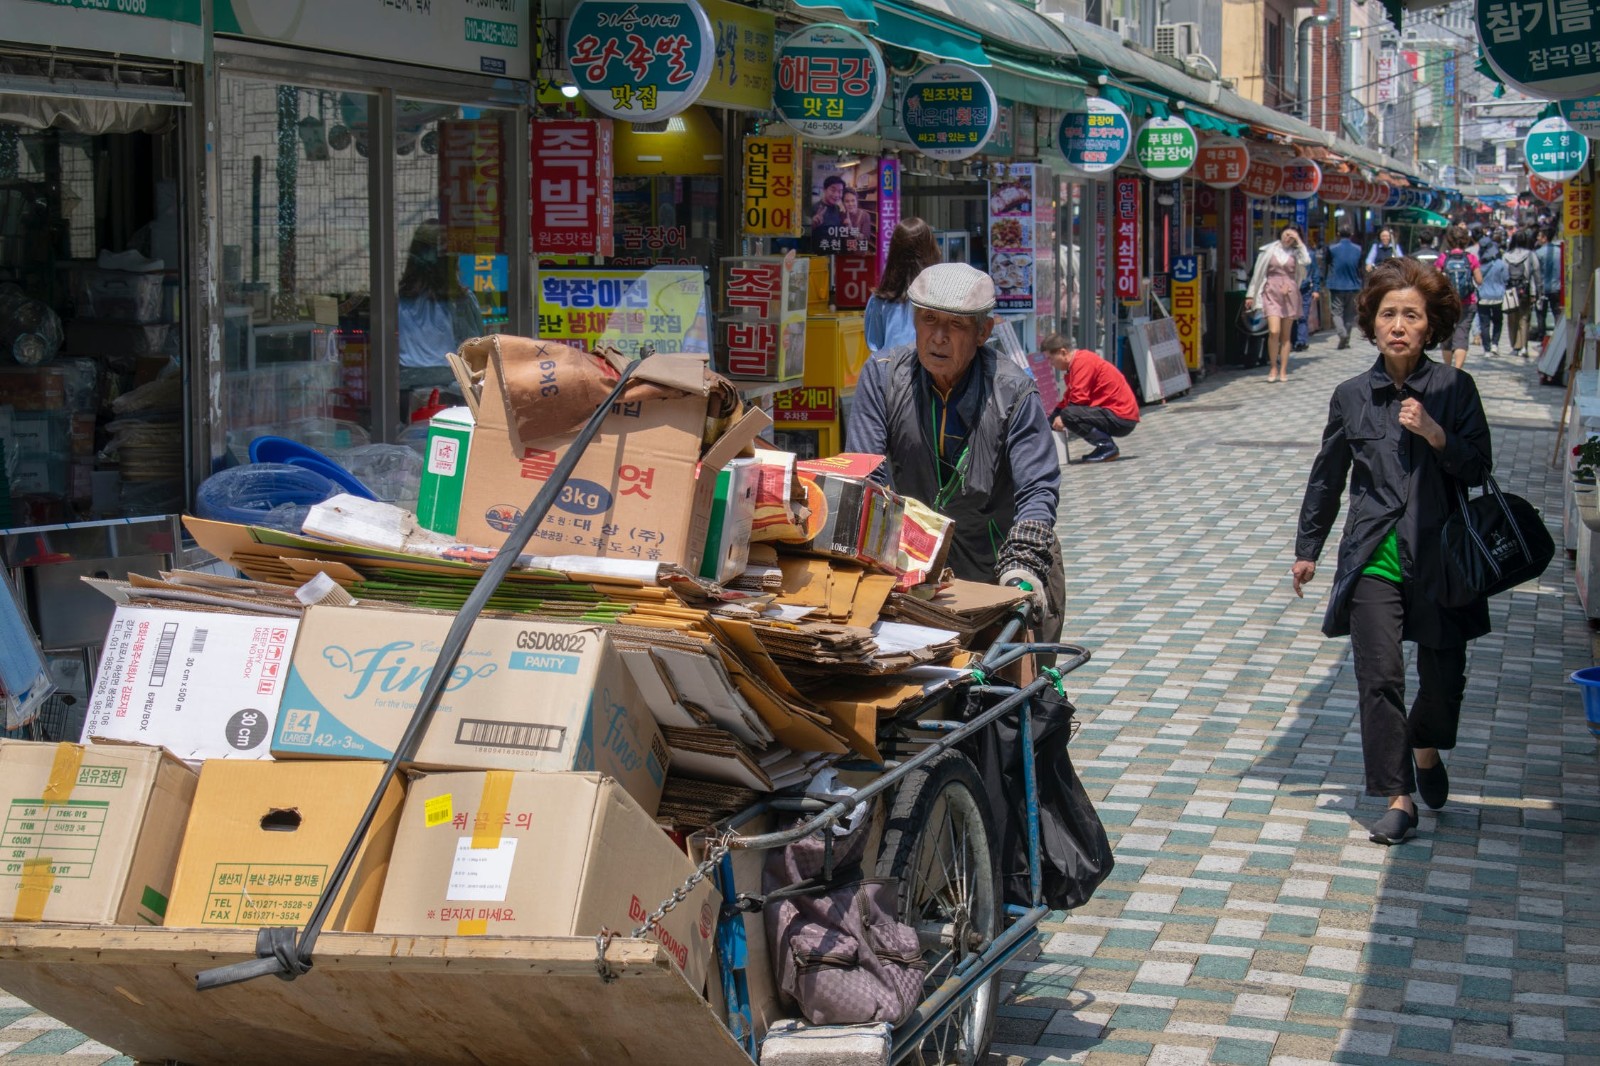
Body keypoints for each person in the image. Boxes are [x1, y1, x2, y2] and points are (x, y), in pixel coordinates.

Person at [1291, 256, 1492, 846]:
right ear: (1372, 325)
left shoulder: (1457, 388)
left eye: (1411, 315)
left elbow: (1479, 467)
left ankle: (1425, 751)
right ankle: (1397, 795)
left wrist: (1435, 434)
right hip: (1374, 555)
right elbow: (1327, 477)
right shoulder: (1351, 395)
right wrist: (1308, 549)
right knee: (1379, 679)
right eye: (1387, 314)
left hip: (1443, 559)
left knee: (1442, 680)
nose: (1398, 325)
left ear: (1430, 326)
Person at [851, 262, 1065, 642]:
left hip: (1003, 555)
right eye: (928, 320)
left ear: (983, 331)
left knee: (1018, 684)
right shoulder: (882, 376)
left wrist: (1022, 565)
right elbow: (869, 473)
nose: (938, 337)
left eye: (955, 325)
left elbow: (1037, 489)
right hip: (915, 564)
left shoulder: (1014, 391)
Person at [398, 221, 484, 394]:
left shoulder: (399, 299)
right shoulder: (460, 300)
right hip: (450, 384)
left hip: (405, 381)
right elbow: (474, 347)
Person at [1043, 336, 1139, 463]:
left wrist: (1061, 418)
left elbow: (1078, 400)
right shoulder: (1075, 366)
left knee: (1068, 415)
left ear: (1063, 352)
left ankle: (1106, 446)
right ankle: (1105, 445)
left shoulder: (1082, 361)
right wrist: (1047, 423)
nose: (1051, 364)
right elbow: (1066, 400)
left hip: (1121, 417)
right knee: (1065, 413)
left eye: (1051, 358)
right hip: (1115, 414)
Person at [1245, 224, 1311, 383]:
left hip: (1289, 293)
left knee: (1285, 335)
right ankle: (1273, 366)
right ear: (1281, 234)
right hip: (1271, 292)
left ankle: (1283, 369)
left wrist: (1299, 242)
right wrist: (1250, 295)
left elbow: (1307, 261)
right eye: (1287, 234)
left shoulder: (1296, 253)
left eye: (1292, 236)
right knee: (1274, 331)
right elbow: (1258, 274)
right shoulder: (1268, 250)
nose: (1288, 238)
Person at [865, 217, 940, 354]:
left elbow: (875, 346)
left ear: (894, 253)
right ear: (931, 250)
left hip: (890, 372)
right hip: (932, 372)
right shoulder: (941, 296)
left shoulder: (879, 300)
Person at [1440, 224, 1482, 369]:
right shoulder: (1471, 258)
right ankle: (1457, 370)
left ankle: (1447, 368)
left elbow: (1433, 279)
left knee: (1447, 335)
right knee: (1462, 335)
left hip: (1447, 303)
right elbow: (1479, 280)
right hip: (1467, 302)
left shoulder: (1443, 258)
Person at [1501, 229, 1543, 360]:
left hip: (1510, 292)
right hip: (1526, 290)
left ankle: (1515, 345)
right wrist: (1538, 293)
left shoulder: (1506, 256)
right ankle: (1524, 347)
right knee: (1524, 319)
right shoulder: (1530, 255)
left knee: (1511, 319)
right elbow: (1537, 275)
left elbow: (1503, 275)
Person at [1325, 226, 1364, 350]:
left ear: (1338, 233)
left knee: (1336, 312)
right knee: (1349, 314)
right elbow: (1360, 267)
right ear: (1351, 234)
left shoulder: (1332, 249)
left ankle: (1342, 334)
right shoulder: (1358, 249)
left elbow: (1328, 264)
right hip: (1353, 285)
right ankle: (1345, 340)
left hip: (1336, 285)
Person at [1294, 230, 1324, 351]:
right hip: (1288, 291)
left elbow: (1315, 272)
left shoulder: (1309, 254)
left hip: (1305, 289)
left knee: (1302, 316)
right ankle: (1291, 341)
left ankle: (1301, 341)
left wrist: (1316, 289)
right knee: (1290, 318)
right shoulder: (1284, 255)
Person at [1475, 251, 1508, 358]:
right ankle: (1495, 344)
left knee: (1484, 324)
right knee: (1498, 322)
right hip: (1498, 297)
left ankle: (1487, 349)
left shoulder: (1478, 265)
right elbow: (1506, 278)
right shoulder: (1500, 264)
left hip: (1483, 297)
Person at [1534, 227, 1562, 342]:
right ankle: (1558, 336)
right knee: (1557, 313)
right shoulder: (1560, 251)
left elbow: (1536, 272)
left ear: (1545, 238)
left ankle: (1542, 337)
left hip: (1542, 288)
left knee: (1541, 314)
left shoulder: (1538, 253)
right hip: (1557, 287)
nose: (1537, 238)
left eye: (1539, 236)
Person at [810, 175, 845, 246]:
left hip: (834, 250)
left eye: (840, 191)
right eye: (833, 190)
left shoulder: (837, 208)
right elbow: (802, 233)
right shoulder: (814, 208)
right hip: (819, 253)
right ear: (824, 190)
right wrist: (812, 225)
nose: (836, 195)